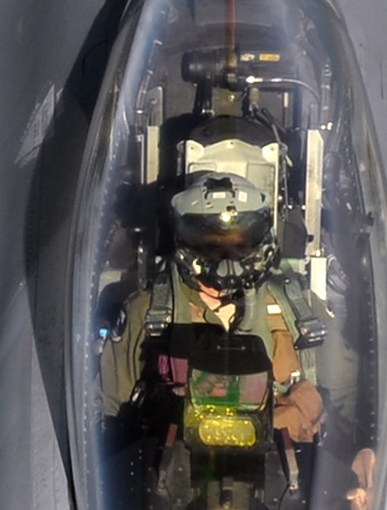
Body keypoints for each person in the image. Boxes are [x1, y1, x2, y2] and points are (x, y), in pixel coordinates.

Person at [100, 169, 324, 443]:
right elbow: (109, 419)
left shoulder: (301, 312)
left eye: (241, 245)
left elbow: (349, 416)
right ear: (186, 244)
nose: (228, 260)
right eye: (212, 246)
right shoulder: (146, 314)